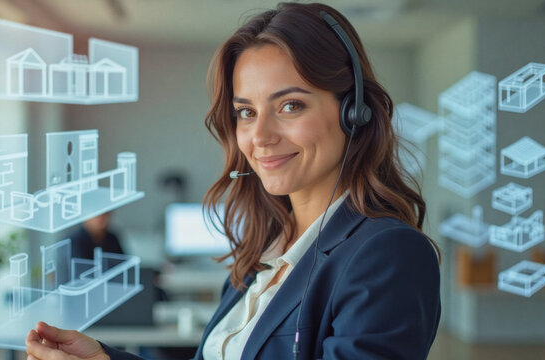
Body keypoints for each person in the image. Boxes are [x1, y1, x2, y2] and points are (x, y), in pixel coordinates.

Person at [25, 3, 441, 359]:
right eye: (246, 112)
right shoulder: (262, 249)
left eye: (290, 105)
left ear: (354, 113)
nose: (259, 137)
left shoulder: (388, 255)